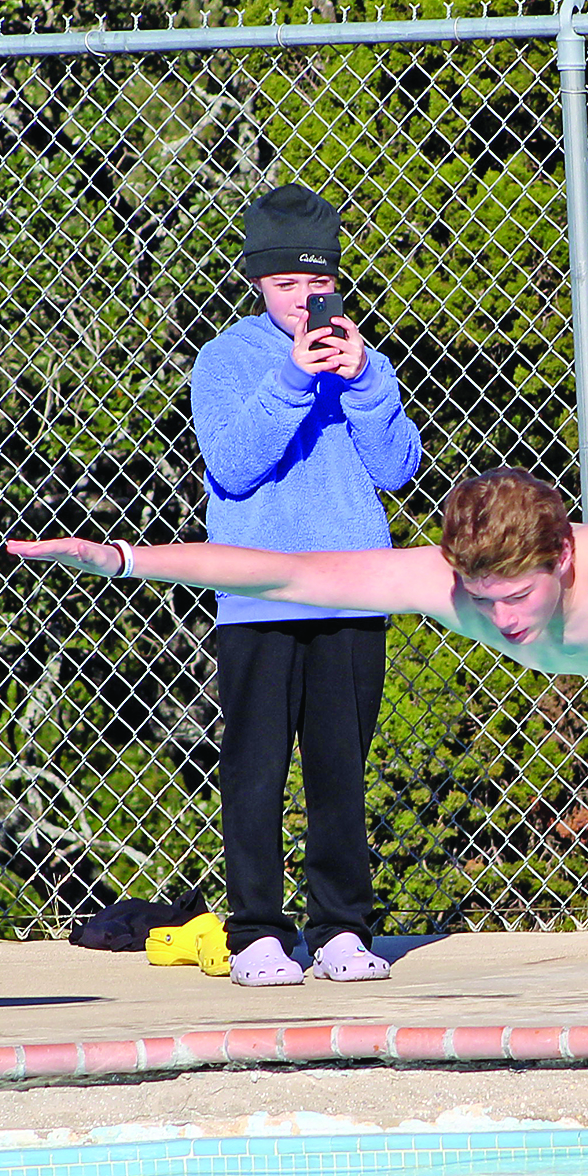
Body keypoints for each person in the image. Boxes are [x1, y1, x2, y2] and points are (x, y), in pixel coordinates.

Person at [11, 401, 588, 780]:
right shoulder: (457, 588)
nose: (501, 622)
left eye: (517, 598)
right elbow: (292, 573)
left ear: (561, 563)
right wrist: (125, 557)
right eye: (485, 598)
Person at [191, 185, 422, 986]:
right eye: (286, 287)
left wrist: (362, 384)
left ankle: (339, 930)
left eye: (315, 287)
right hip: (259, 594)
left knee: (339, 769)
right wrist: (294, 379)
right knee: (255, 766)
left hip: (354, 589)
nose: (302, 302)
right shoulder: (226, 359)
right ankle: (256, 930)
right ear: (257, 282)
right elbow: (234, 462)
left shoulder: (366, 362)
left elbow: (397, 468)